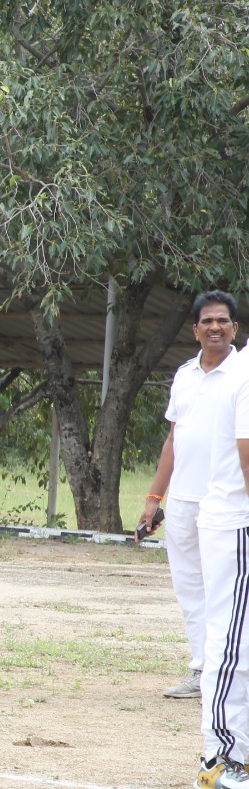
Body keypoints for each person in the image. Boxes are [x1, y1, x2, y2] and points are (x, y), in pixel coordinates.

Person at [137, 291, 241, 701]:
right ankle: (202, 669)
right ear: (195, 330)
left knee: (226, 589)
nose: (215, 327)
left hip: (228, 501)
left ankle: (227, 673)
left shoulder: (242, 375)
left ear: (235, 328)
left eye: (223, 320)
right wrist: (154, 497)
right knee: (190, 587)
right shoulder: (184, 375)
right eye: (207, 321)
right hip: (182, 500)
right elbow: (173, 440)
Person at [182, 291, 249, 789]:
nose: (216, 328)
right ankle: (221, 758)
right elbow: (247, 451)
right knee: (230, 642)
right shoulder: (243, 374)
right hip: (236, 522)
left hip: (228, 521)